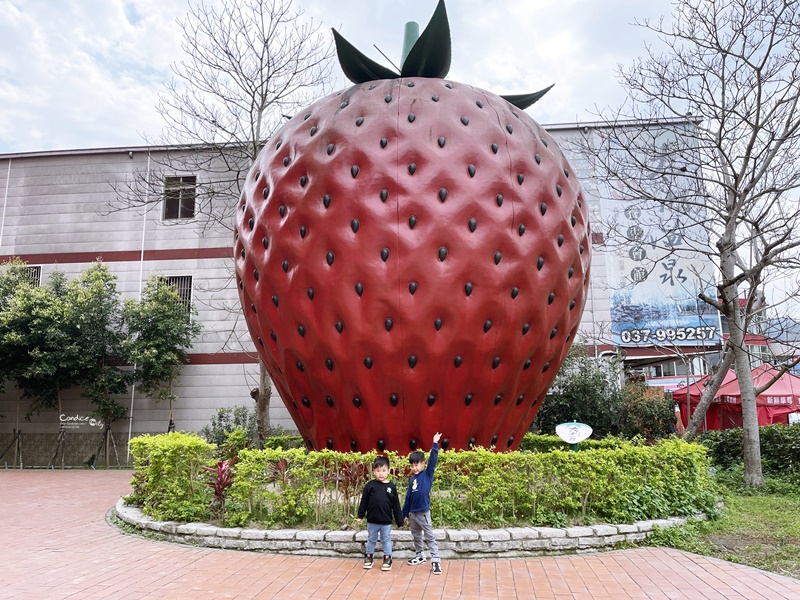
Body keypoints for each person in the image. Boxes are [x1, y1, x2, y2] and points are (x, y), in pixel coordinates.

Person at [403, 432, 443, 575]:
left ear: (423, 464)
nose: (414, 468)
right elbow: (408, 497)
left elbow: (433, 460)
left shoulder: (427, 474)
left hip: (423, 513)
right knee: (416, 536)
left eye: (417, 464)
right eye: (412, 465)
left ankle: (436, 560)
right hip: (413, 514)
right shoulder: (411, 480)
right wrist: (405, 513)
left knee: (429, 536)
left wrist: (434, 443)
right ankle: (419, 556)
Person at [356, 455, 404, 571]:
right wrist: (360, 516)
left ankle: (387, 558)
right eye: (378, 471)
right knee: (371, 539)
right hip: (372, 521)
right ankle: (369, 557)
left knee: (386, 539)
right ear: (374, 471)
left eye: (383, 471)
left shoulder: (391, 487)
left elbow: (396, 505)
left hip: (386, 522)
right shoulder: (370, 486)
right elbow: (364, 502)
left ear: (388, 471)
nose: (381, 474)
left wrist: (399, 520)